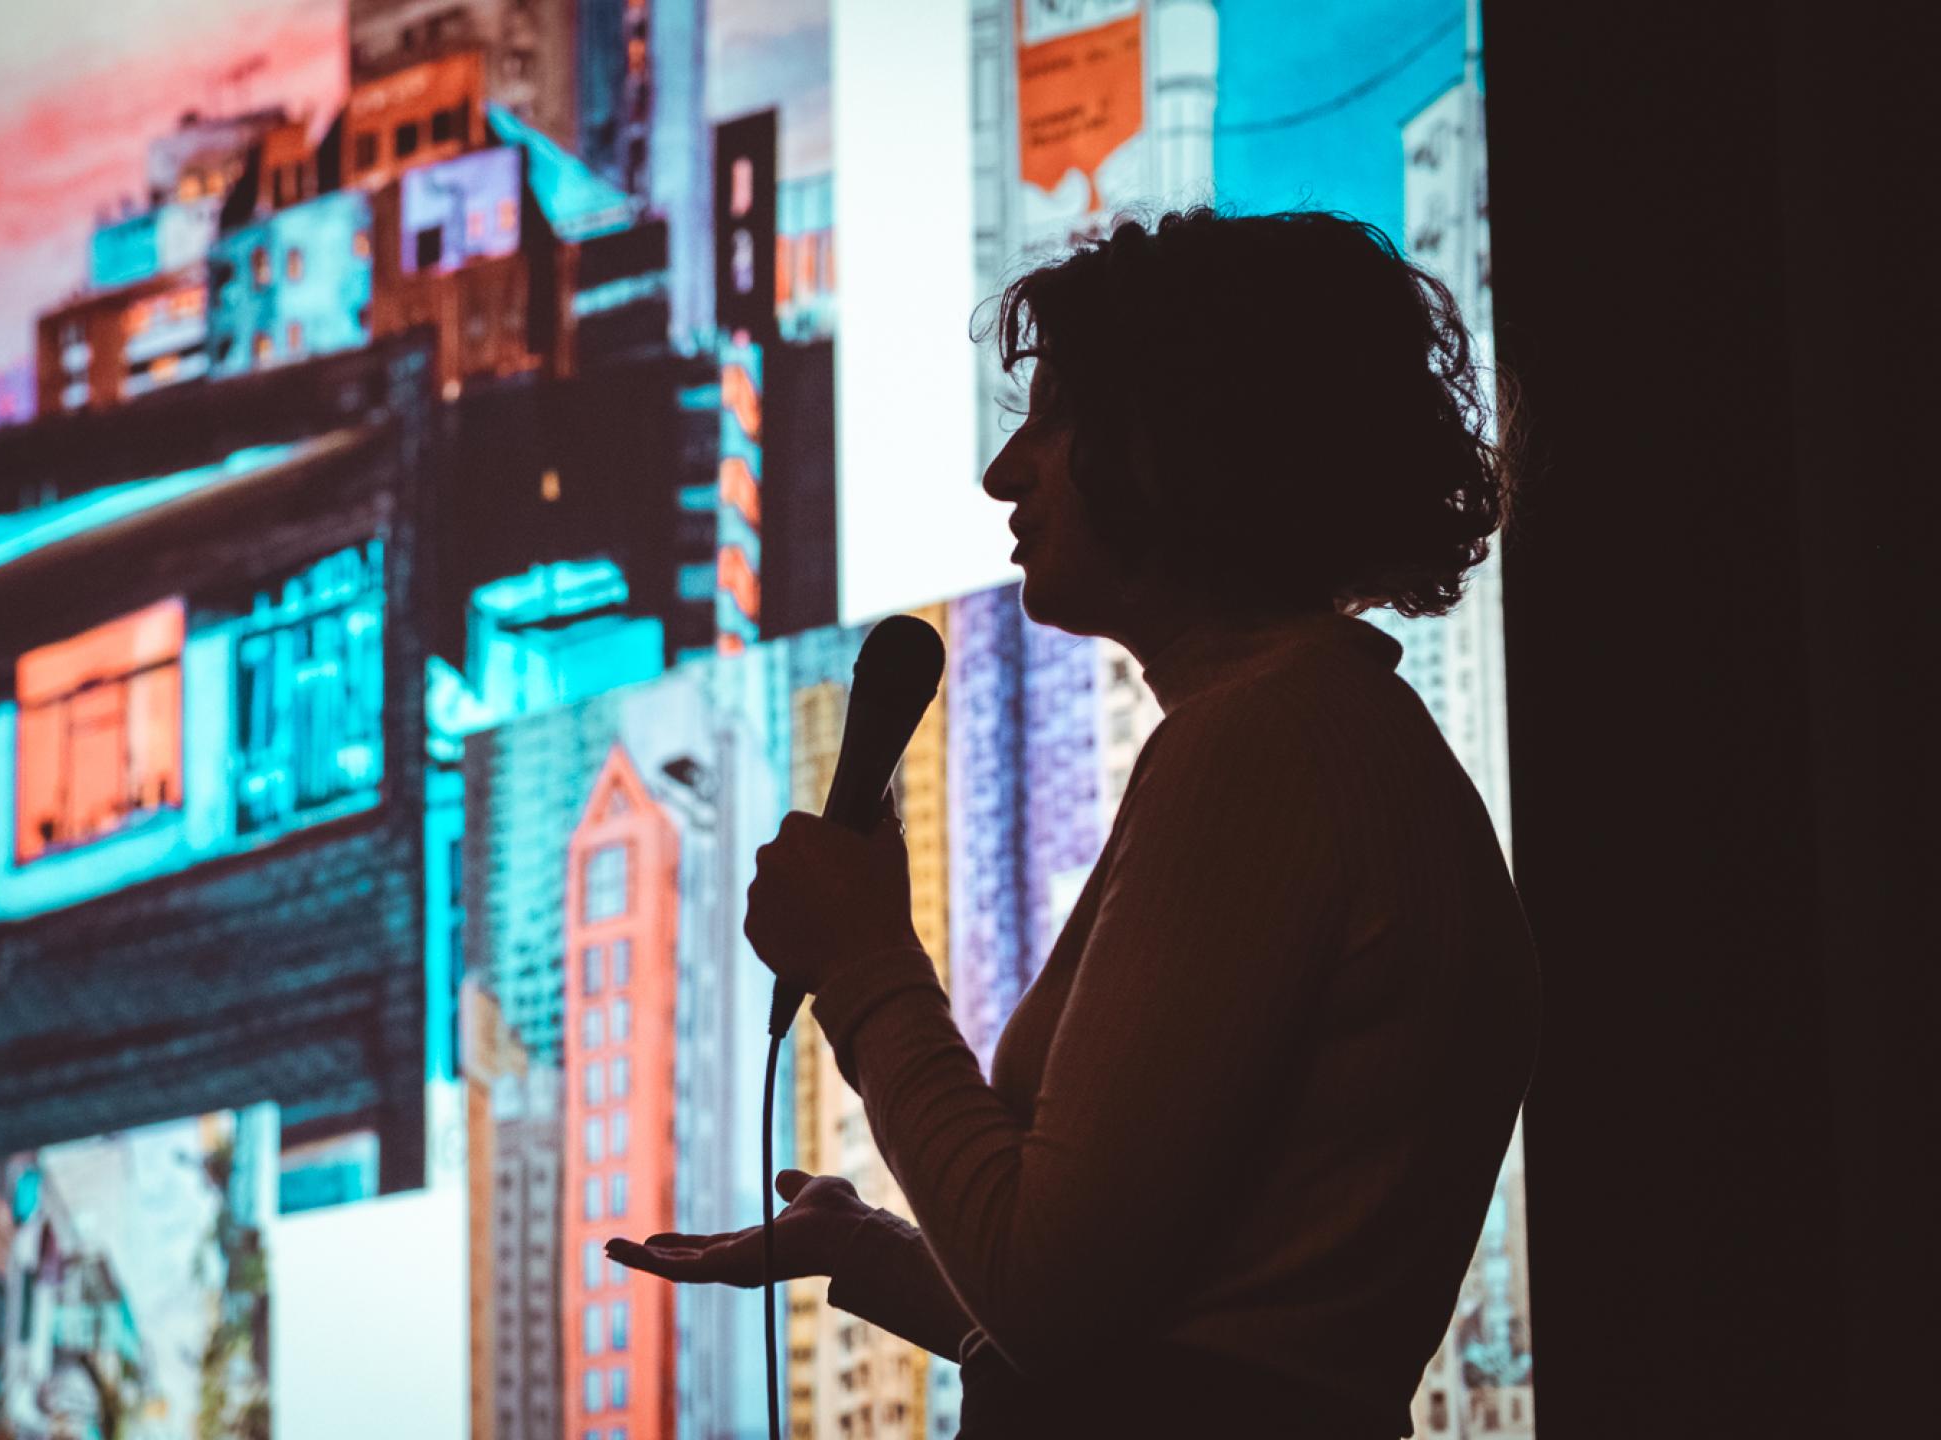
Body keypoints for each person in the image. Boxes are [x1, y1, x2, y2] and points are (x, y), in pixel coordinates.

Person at [608, 207, 1539, 1437]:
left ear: (1182, 443)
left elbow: (1054, 1304)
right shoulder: (1323, 735)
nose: (1006, 471)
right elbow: (1166, 1339)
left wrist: (866, 968)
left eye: (1052, 421)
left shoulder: (1266, 749)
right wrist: (870, 1250)